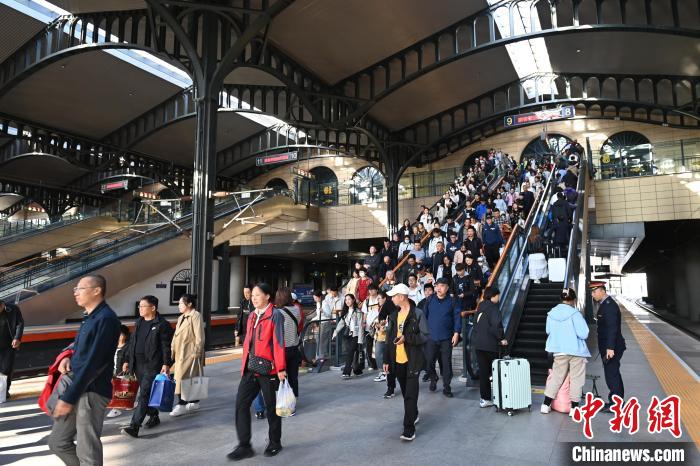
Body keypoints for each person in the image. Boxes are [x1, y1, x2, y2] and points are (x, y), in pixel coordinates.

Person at [48, 275, 120, 466]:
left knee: (87, 452)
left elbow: (94, 363)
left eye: (80, 289)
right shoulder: (89, 317)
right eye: (75, 289)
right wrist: (67, 357)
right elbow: (81, 348)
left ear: (96, 291)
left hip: (91, 392)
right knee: (57, 443)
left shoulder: (106, 319)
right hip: (77, 387)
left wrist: (68, 398)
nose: (76, 293)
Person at [229, 283, 287, 461]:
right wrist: (244, 365)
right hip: (250, 367)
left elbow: (278, 342)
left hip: (269, 369)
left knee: (271, 408)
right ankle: (244, 445)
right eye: (252, 295)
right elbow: (249, 341)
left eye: (257, 295)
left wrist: (281, 368)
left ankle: (275, 442)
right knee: (241, 404)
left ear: (267, 296)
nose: (253, 298)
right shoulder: (253, 315)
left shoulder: (275, 315)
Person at [121, 296, 173, 437]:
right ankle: (154, 415)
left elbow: (166, 346)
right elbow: (132, 342)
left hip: (152, 364)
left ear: (153, 308)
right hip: (137, 364)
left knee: (143, 393)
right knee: (147, 392)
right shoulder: (139, 322)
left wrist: (166, 363)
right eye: (140, 306)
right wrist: (127, 360)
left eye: (143, 306)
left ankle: (134, 426)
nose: (140, 308)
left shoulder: (162, 325)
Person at [383, 283, 430, 441]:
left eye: (393, 296)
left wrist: (407, 338)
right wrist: (386, 359)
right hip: (397, 361)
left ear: (402, 297)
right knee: (405, 392)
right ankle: (414, 413)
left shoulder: (417, 314)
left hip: (413, 360)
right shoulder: (393, 315)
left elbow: (425, 336)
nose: (391, 299)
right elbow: (389, 339)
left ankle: (408, 429)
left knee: (410, 394)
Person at [541, 288, 590, 416]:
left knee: (556, 377)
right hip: (576, 351)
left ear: (561, 299)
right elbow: (584, 334)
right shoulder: (575, 314)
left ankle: (545, 405)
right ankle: (574, 409)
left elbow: (548, 331)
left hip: (559, 350)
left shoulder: (551, 313)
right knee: (576, 379)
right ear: (573, 300)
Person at [422, 277, 461, 397]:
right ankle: (433, 377)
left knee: (446, 363)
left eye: (442, 286)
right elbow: (424, 317)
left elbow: (457, 318)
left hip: (446, 338)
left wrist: (456, 333)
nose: (439, 288)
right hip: (431, 337)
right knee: (428, 362)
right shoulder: (430, 299)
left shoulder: (453, 301)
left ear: (447, 288)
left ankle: (447, 388)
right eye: (437, 285)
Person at [590, 281, 626, 411]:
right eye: (592, 292)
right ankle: (616, 401)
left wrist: (610, 348)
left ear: (603, 291)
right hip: (609, 347)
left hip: (612, 348)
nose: (592, 294)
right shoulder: (605, 304)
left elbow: (612, 328)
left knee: (612, 375)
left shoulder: (609, 306)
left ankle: (616, 404)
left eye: (594, 291)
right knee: (613, 374)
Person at [169, 293, 205, 417]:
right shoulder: (181, 317)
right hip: (180, 353)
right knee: (188, 378)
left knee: (182, 378)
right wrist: (172, 349)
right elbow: (176, 335)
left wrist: (197, 352)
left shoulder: (195, 316)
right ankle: (194, 402)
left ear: (189, 304)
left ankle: (182, 404)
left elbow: (199, 336)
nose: (178, 306)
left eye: (181, 303)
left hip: (189, 353)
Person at [471, 286, 507, 408]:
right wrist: (502, 338)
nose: (499, 297)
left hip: (479, 345)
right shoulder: (493, 309)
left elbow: (475, 325)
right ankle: (501, 398)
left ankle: (484, 399)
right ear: (493, 296)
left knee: (484, 373)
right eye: (498, 295)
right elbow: (496, 326)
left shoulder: (480, 307)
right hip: (490, 345)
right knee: (497, 372)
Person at [275, 287, 302, 400]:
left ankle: (283, 400)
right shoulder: (296, 309)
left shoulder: (278, 312)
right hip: (294, 348)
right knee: (293, 376)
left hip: (282, 349)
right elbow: (298, 323)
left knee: (281, 376)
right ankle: (293, 400)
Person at [333, 294, 364, 379]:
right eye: (346, 300)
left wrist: (360, 340)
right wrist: (336, 332)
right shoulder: (346, 312)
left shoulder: (358, 312)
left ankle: (346, 372)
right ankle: (357, 371)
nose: (347, 301)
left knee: (350, 353)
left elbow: (360, 327)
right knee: (353, 353)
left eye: (349, 299)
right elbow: (341, 323)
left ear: (353, 300)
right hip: (348, 336)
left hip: (356, 335)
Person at [0, 299, 23, 401]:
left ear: (2, 305)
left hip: (9, 345)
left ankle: (4, 391)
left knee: (6, 369)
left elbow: (20, 324)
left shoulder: (13, 309)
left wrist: (17, 338)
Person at [106, 325, 130, 418]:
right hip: (113, 371)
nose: (119, 336)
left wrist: (127, 362)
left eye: (121, 334)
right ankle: (126, 403)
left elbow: (129, 357)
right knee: (115, 390)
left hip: (122, 372)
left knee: (118, 390)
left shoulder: (128, 346)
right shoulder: (113, 345)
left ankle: (116, 409)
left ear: (125, 335)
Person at [362, 285, 381, 372]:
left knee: (378, 346)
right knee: (369, 346)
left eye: (373, 289)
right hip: (368, 327)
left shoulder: (380, 299)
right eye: (369, 290)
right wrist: (364, 322)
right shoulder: (366, 301)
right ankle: (371, 364)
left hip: (378, 326)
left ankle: (379, 363)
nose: (371, 291)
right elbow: (365, 313)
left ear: (377, 290)